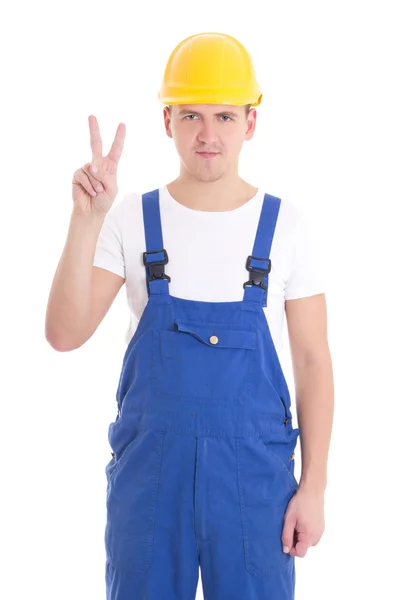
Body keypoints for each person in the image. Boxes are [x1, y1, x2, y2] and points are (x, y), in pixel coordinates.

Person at [45, 32, 334, 600]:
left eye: (225, 117)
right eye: (191, 116)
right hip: (152, 479)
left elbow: (313, 361)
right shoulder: (128, 218)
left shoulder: (288, 226)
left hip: (254, 483)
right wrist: (86, 219)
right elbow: (63, 333)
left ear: (251, 122)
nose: (208, 135)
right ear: (166, 120)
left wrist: (314, 487)